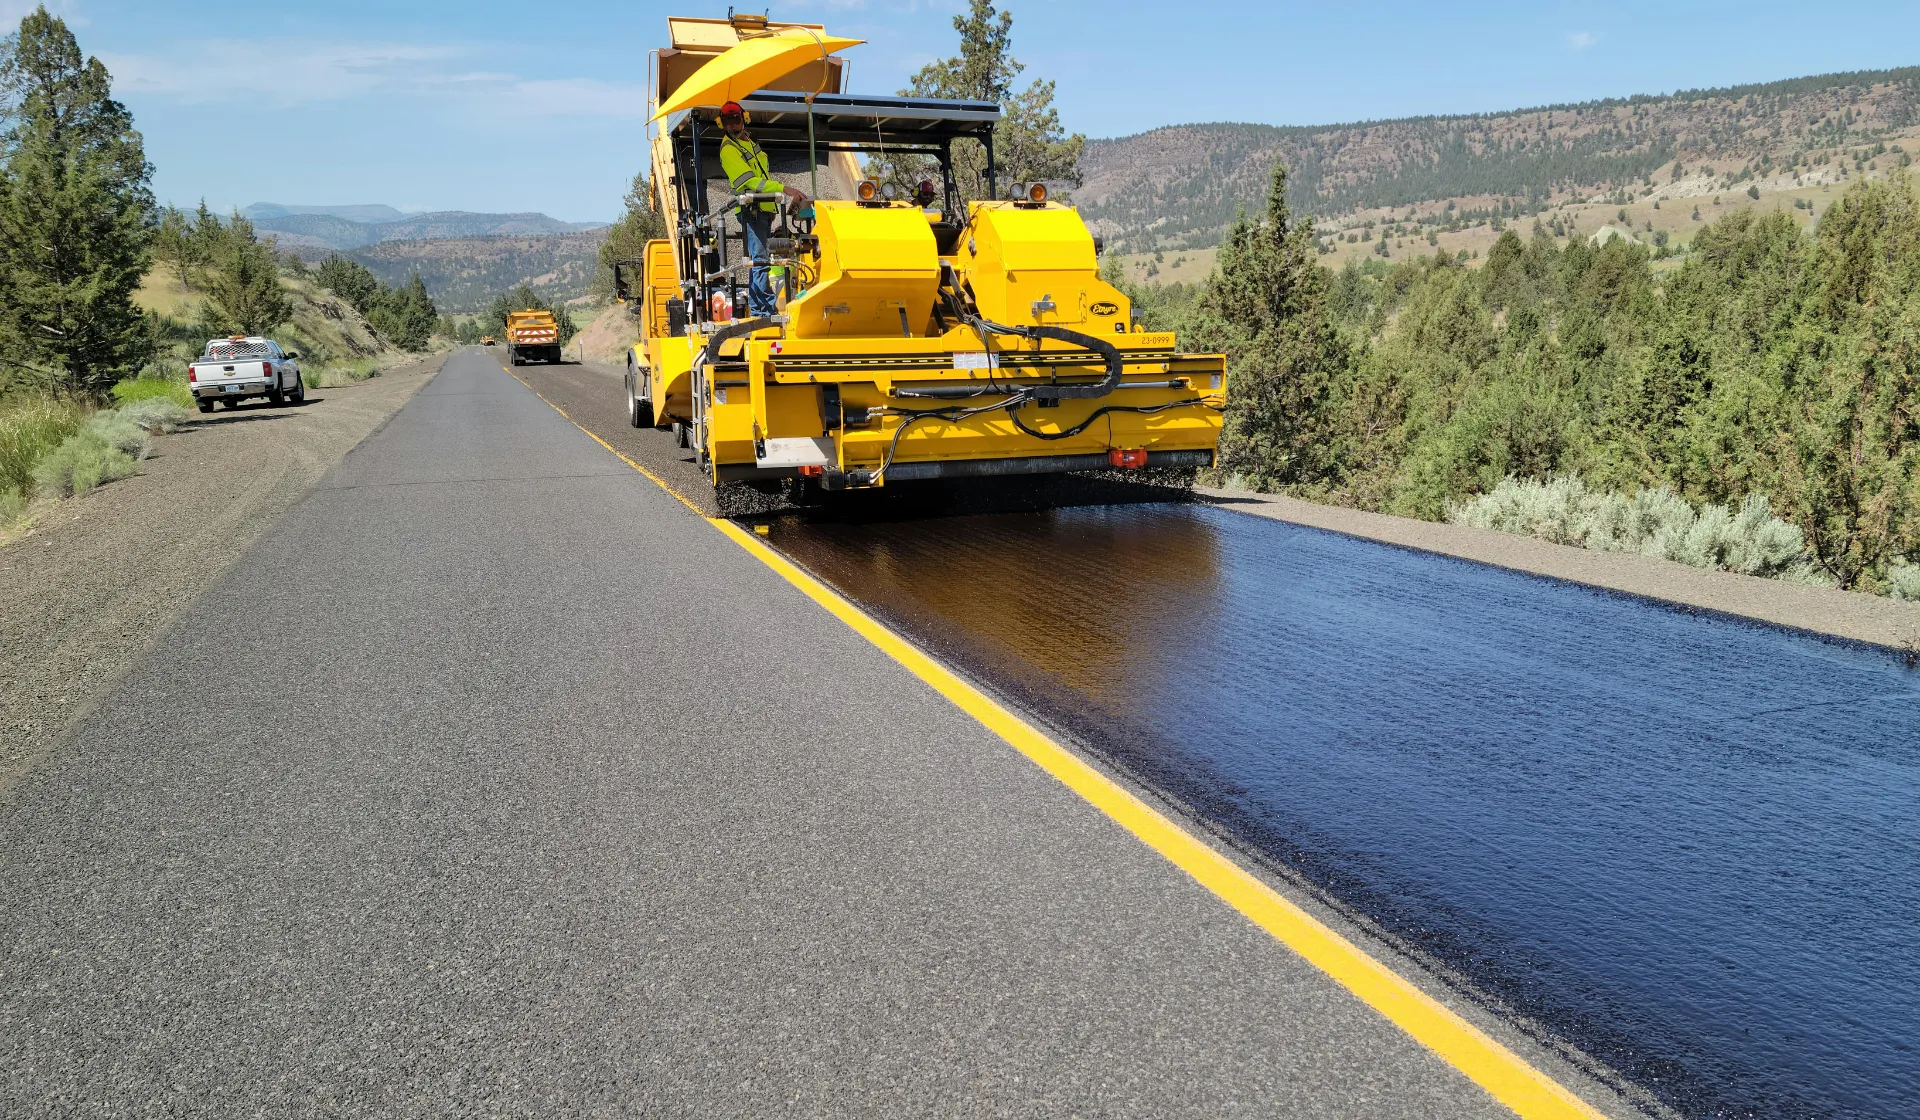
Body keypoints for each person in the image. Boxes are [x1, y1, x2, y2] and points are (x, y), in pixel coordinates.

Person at [716, 100, 808, 317]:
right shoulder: (729, 148)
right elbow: (751, 182)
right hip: (752, 210)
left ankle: (759, 309)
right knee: (760, 260)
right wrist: (784, 188)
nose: (733, 126)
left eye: (736, 119)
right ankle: (764, 311)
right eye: (728, 122)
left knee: (759, 260)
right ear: (722, 124)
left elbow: (760, 175)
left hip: (763, 208)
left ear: (744, 118)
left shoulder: (748, 143)